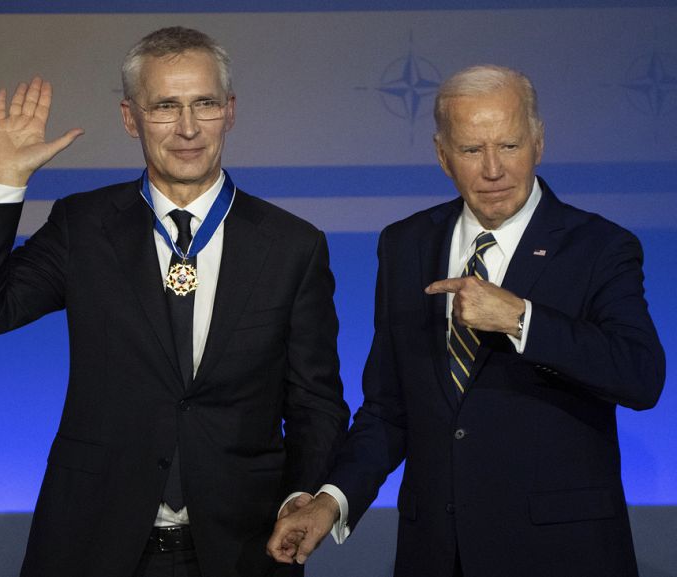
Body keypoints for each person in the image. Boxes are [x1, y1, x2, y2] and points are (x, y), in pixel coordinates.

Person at [0, 26, 349, 577]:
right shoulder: (83, 226)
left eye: (203, 104)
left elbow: (315, 402)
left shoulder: (293, 245)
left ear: (229, 111)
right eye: (165, 107)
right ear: (130, 118)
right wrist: (7, 179)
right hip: (93, 542)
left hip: (243, 547)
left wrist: (304, 494)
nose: (186, 128)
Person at [266, 64, 665, 577]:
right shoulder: (406, 244)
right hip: (435, 552)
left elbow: (640, 376)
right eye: (472, 150)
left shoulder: (599, 247)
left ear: (539, 143)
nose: (493, 169)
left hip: (560, 553)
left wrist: (522, 319)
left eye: (510, 146)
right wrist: (331, 500)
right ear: (442, 156)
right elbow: (389, 408)